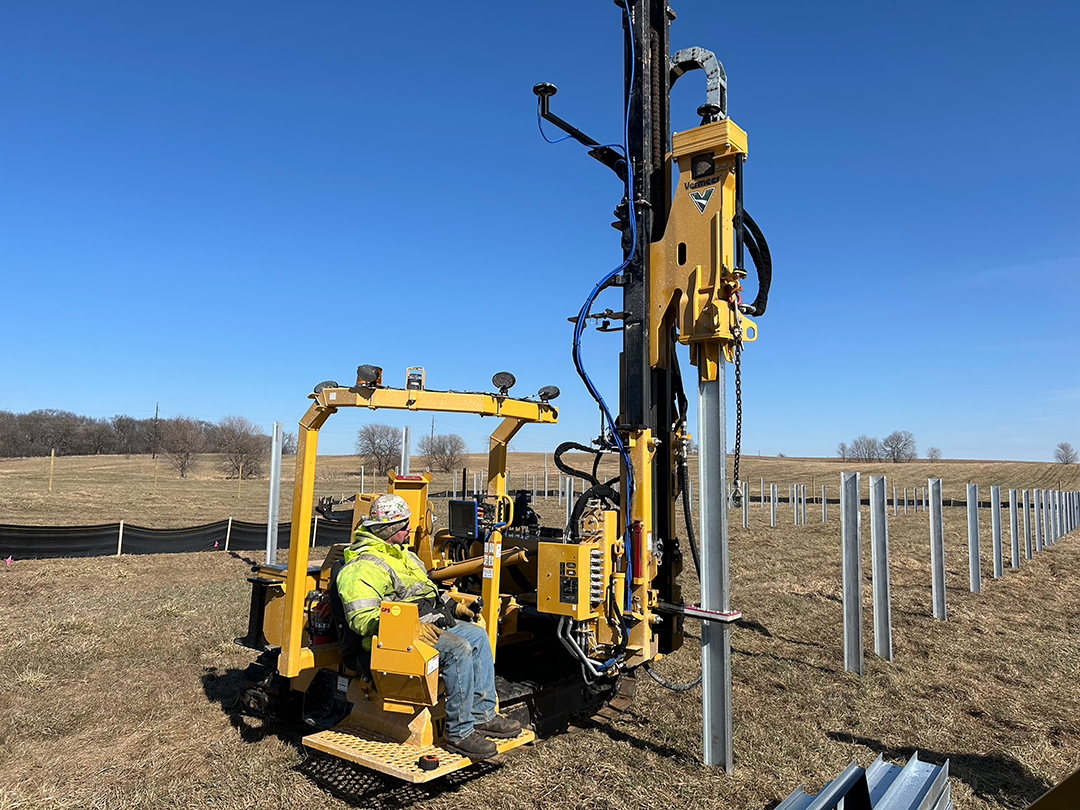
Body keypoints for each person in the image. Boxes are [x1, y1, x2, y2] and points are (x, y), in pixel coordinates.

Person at [335, 493, 521, 759]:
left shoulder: (403, 555)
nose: (410, 528)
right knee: (459, 649)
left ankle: (482, 715)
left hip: (427, 627)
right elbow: (361, 619)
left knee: (478, 635)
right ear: (388, 531)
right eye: (404, 525)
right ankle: (459, 733)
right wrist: (409, 630)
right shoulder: (361, 568)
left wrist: (453, 606)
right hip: (392, 640)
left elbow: (427, 591)